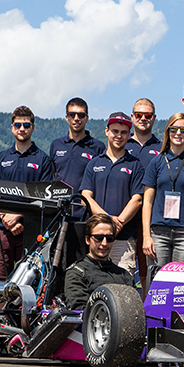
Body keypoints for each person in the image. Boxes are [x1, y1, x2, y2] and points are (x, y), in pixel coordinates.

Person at [0, 106, 55, 278]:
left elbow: (44, 197)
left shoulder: (43, 160)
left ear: (32, 128)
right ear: (12, 127)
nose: (22, 129)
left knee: (30, 280)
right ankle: (0, 307)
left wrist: (17, 215)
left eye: (26, 125)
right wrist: (6, 217)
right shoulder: (2, 158)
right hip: (1, 227)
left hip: (30, 230)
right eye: (18, 125)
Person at [141, 113, 184, 283]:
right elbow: (147, 202)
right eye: (174, 129)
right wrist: (146, 236)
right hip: (158, 233)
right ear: (167, 132)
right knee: (157, 283)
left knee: (182, 285)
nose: (178, 133)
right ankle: (154, 312)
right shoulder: (156, 162)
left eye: (183, 129)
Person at [80, 113, 145, 279]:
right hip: (96, 237)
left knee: (122, 285)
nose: (119, 136)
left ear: (129, 135)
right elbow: (86, 196)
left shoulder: (135, 164)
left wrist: (118, 223)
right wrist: (107, 220)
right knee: (94, 283)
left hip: (124, 237)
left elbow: (137, 199)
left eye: (124, 132)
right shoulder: (94, 163)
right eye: (115, 131)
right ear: (107, 131)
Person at [125, 98, 162, 289]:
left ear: (154, 118)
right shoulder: (122, 144)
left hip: (152, 218)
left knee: (148, 270)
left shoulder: (162, 147)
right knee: (125, 269)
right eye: (138, 115)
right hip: (125, 218)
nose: (143, 119)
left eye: (147, 115)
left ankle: (148, 315)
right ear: (132, 117)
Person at [63, 215, 134, 310]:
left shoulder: (124, 276)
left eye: (109, 238)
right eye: (99, 238)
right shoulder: (77, 273)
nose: (104, 243)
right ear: (87, 239)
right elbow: (79, 310)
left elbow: (134, 310)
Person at [49, 97, 106, 213]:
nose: (76, 119)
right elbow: (53, 175)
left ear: (87, 118)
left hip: (86, 211)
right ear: (66, 118)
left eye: (81, 115)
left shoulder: (98, 147)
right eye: (72, 115)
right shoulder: (56, 145)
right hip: (60, 210)